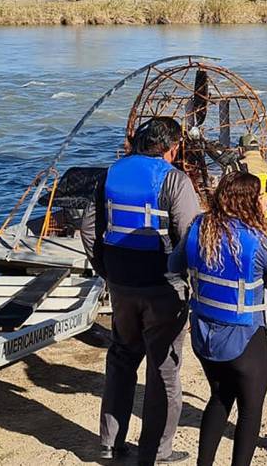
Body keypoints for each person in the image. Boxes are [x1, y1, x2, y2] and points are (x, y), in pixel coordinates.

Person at [81, 117, 201, 464]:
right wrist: (190, 282)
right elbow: (190, 236)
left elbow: (89, 229)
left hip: (120, 284)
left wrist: (106, 270)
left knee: (121, 358)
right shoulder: (175, 180)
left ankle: (110, 443)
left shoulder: (110, 174)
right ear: (172, 147)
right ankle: (158, 450)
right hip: (163, 287)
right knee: (164, 370)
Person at [169, 171, 267, 466]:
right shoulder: (258, 239)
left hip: (204, 335)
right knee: (250, 409)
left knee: (219, 397)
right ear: (250, 202)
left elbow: (172, 263)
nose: (265, 200)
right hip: (245, 339)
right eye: (260, 196)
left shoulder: (199, 228)